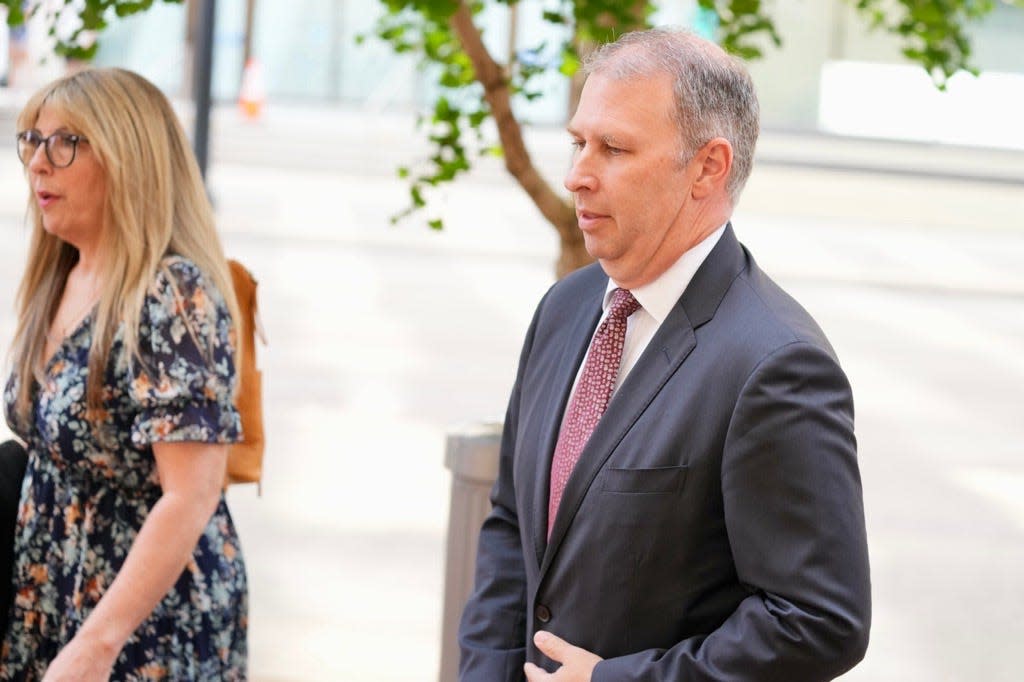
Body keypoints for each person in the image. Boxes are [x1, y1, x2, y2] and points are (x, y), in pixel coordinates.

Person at [458, 28, 871, 681]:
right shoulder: (565, 308)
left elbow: (818, 621)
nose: (576, 176)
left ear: (708, 166)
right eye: (578, 143)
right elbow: (513, 522)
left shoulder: (777, 365)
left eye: (614, 148)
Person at [2, 68, 247, 680]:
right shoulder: (60, 275)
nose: (38, 163)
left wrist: (95, 645)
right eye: (31, 140)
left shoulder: (173, 295)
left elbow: (190, 496)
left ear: (127, 157)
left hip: (142, 626)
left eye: (65, 143)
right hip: (51, 597)